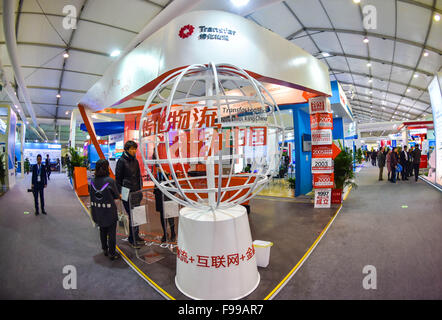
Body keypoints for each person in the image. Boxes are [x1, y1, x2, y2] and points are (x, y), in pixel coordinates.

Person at [115, 140, 145, 249]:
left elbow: (138, 176)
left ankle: (135, 236)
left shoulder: (135, 161)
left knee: (137, 215)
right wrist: (119, 193)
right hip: (126, 193)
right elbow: (118, 179)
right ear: (127, 149)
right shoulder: (121, 161)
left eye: (135, 148)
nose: (134, 151)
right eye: (132, 149)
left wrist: (140, 190)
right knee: (132, 216)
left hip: (136, 192)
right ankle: (132, 239)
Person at [89, 159, 120, 260]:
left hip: (97, 211)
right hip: (109, 211)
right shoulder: (110, 181)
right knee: (111, 233)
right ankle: (112, 253)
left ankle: (105, 249)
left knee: (102, 230)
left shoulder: (92, 181)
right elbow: (116, 195)